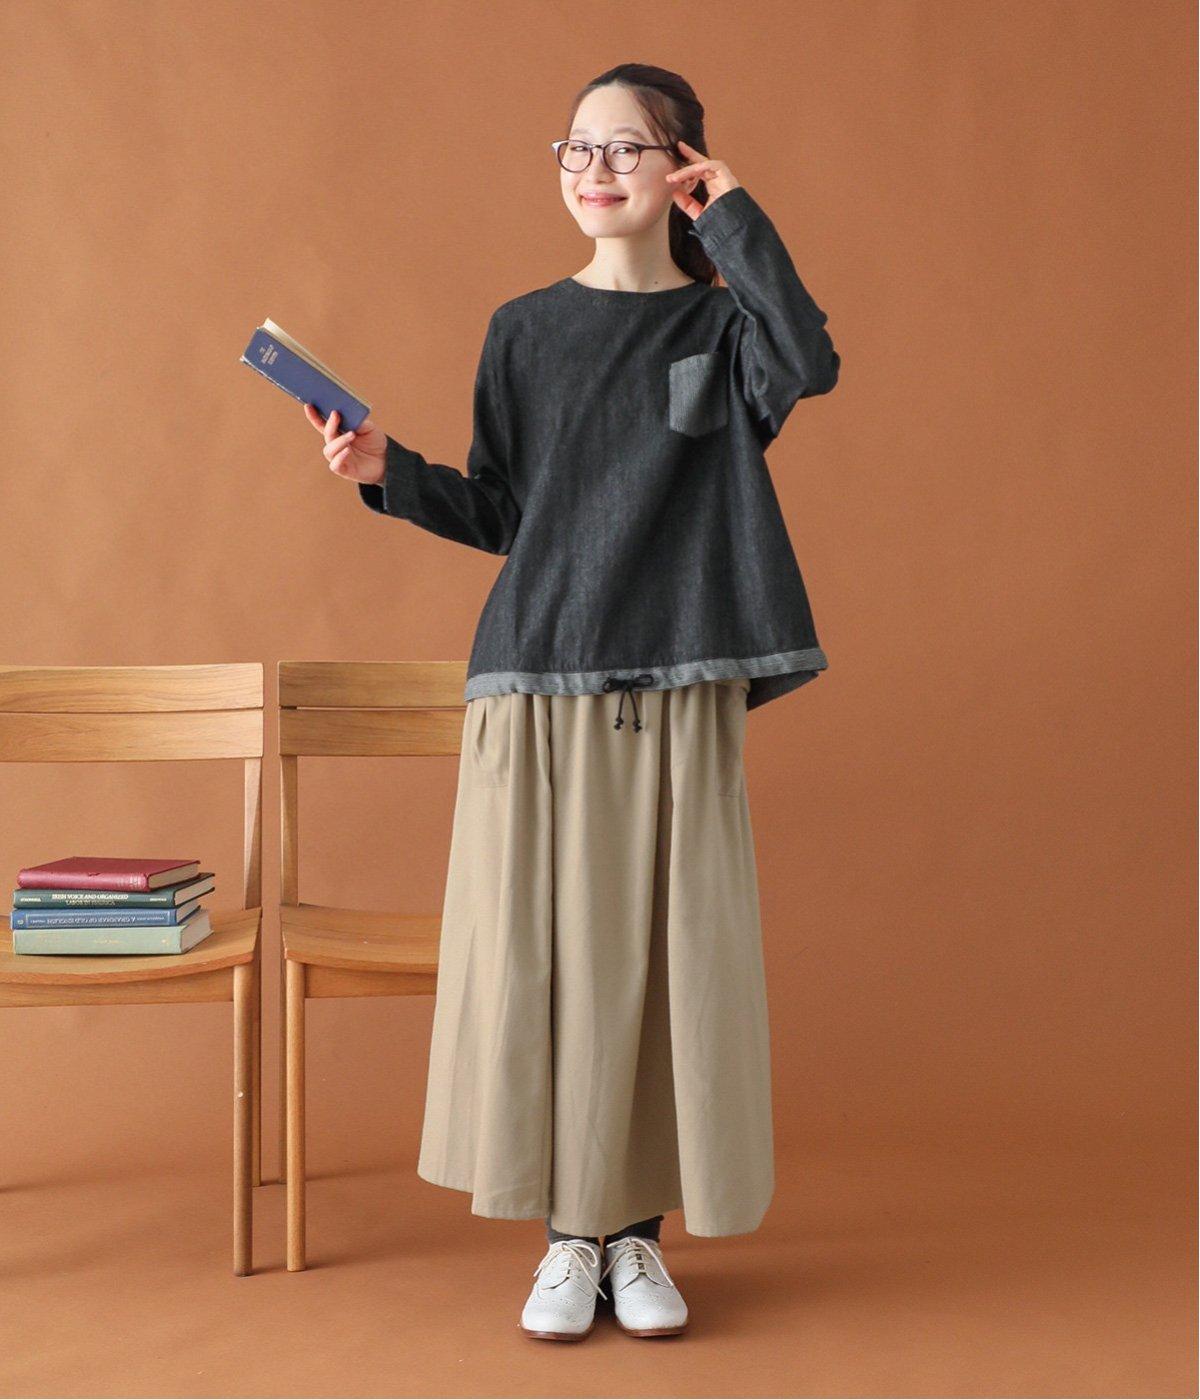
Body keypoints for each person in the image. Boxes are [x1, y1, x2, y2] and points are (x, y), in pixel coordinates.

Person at [305, 63, 840, 1342]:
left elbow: (810, 361)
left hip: (679, 680)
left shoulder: (727, 328)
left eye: (627, 148)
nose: (594, 170)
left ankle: (635, 1235)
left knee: (665, 962)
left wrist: (733, 218)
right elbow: (507, 510)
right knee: (544, 964)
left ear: (683, 168)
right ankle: (567, 1236)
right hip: (537, 679)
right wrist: (389, 471)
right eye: (576, 148)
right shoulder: (524, 330)